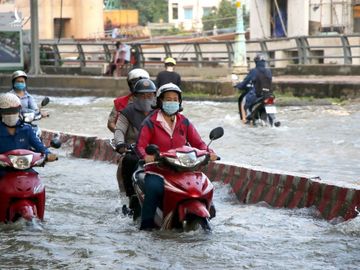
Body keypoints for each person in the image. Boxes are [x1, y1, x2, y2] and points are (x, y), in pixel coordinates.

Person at [135, 83, 218, 230]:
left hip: (183, 168)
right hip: (158, 169)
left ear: (179, 102)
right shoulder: (150, 122)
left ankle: (208, 212)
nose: (172, 102)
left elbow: (198, 142)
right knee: (153, 189)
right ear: (160, 101)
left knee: (203, 186)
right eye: (168, 99)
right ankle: (146, 228)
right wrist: (147, 156)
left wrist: (209, 152)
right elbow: (140, 146)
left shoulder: (184, 121)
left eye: (175, 99)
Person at [113, 78, 156, 213]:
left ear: (155, 96)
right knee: (128, 161)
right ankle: (130, 197)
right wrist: (120, 143)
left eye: (149, 95)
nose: (146, 98)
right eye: (141, 95)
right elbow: (119, 130)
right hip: (134, 150)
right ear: (135, 96)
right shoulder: (127, 112)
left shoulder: (160, 112)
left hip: (157, 151)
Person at [0, 93, 57, 177]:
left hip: (24, 168)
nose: (10, 114)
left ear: (19, 110)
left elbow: (39, 146)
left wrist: (48, 154)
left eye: (13, 111)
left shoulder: (27, 129)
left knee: (36, 184)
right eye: (7, 111)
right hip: (2, 170)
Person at [107, 68, 150, 133]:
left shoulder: (153, 103)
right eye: (134, 84)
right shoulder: (120, 102)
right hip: (125, 140)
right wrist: (119, 133)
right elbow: (111, 123)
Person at [234, 53, 272, 124]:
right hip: (268, 95)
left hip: (256, 95)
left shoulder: (254, 71)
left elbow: (244, 82)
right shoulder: (269, 71)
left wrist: (238, 85)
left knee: (243, 102)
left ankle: (244, 121)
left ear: (256, 61)